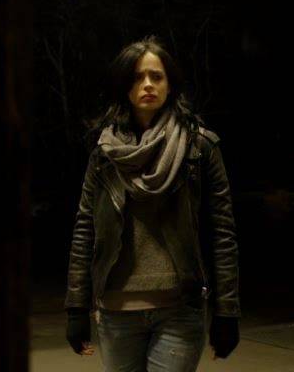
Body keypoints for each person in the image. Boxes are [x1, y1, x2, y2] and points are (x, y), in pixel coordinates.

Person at [64, 36, 240, 371]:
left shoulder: (200, 148)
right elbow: (85, 229)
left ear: (170, 85)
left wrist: (227, 311)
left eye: (156, 76)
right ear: (124, 87)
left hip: (179, 308)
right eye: (137, 77)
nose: (147, 84)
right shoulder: (104, 154)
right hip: (116, 310)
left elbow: (222, 233)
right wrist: (76, 307)